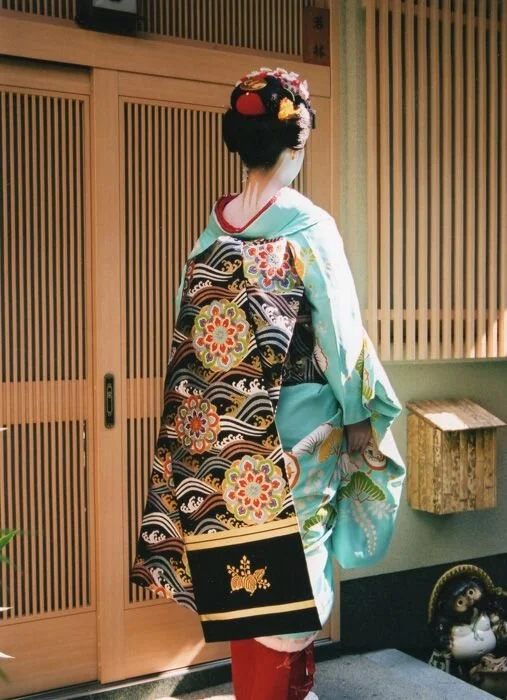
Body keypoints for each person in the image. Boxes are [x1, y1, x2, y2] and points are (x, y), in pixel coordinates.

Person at [131, 67, 405, 700]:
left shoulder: (211, 231)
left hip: (224, 440)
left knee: (243, 576)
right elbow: (341, 334)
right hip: (296, 435)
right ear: (296, 144)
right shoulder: (307, 227)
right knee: (294, 576)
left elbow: (191, 336)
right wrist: (359, 414)